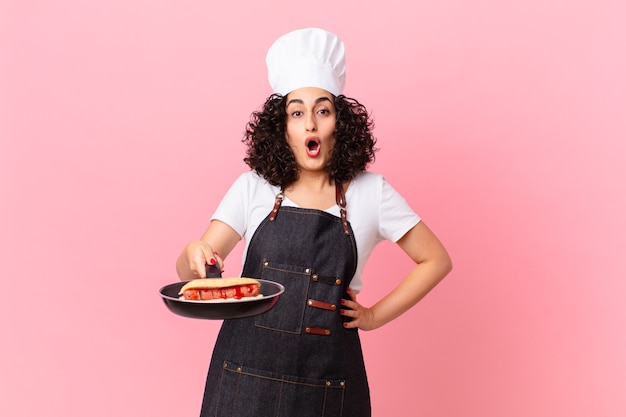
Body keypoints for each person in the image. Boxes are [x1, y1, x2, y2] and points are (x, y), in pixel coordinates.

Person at [176, 27, 452, 417]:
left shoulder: (370, 193)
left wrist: (373, 316)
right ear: (282, 127)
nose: (310, 124)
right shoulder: (253, 188)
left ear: (340, 121)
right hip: (243, 380)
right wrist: (193, 253)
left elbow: (436, 260)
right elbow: (197, 274)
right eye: (296, 112)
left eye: (322, 110)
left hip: (328, 385)